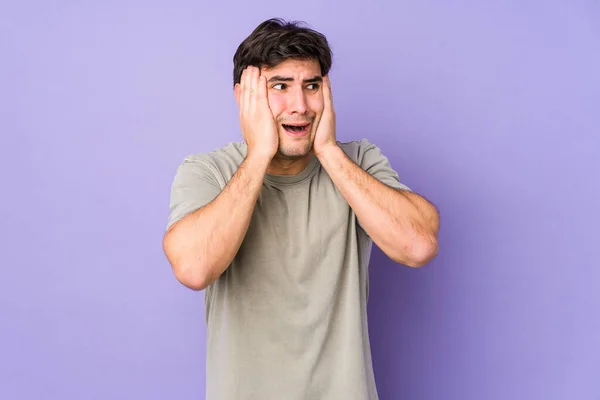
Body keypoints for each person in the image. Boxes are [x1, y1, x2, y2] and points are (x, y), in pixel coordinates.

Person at [162, 18, 440, 400]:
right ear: (244, 96)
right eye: (280, 87)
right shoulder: (207, 171)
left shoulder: (358, 160)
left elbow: (418, 246)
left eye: (312, 87)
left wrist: (328, 151)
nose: (301, 106)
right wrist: (259, 152)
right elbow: (195, 269)